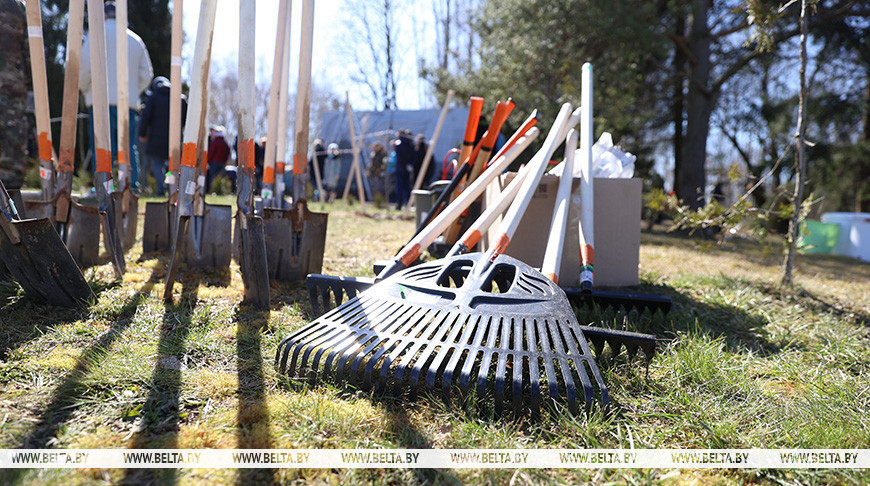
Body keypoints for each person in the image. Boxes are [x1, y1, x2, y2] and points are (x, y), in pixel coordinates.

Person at [80, 1, 153, 193]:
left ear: (103, 16)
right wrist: (132, 91)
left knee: (101, 146)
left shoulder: (95, 36)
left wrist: (87, 89)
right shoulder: (134, 39)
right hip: (126, 103)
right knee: (128, 146)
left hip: (100, 101)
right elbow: (147, 74)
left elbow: (84, 70)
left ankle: (104, 187)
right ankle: (132, 186)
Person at [137, 76, 187, 196]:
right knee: (171, 165)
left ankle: (161, 189)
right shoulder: (180, 99)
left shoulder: (153, 98)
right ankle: (172, 188)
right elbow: (185, 118)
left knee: (157, 164)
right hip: (174, 137)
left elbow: (145, 117)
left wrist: (142, 134)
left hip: (156, 137)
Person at [0, 0, 31, 190]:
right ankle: (11, 189)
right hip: (12, 84)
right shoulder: (18, 7)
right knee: (13, 139)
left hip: (12, 85)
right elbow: (29, 49)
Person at [393, 129, 414, 208]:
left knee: (400, 187)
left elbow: (400, 157)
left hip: (400, 169)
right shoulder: (410, 144)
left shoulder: (399, 143)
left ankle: (399, 204)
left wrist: (405, 165)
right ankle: (408, 203)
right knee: (407, 187)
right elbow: (412, 156)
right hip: (407, 169)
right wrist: (410, 165)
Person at [206, 126, 230, 193]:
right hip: (222, 163)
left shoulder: (215, 142)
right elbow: (227, 153)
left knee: (213, 177)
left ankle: (212, 191)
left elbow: (211, 152)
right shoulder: (225, 143)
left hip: (214, 162)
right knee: (220, 177)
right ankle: (219, 191)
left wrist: (208, 161)